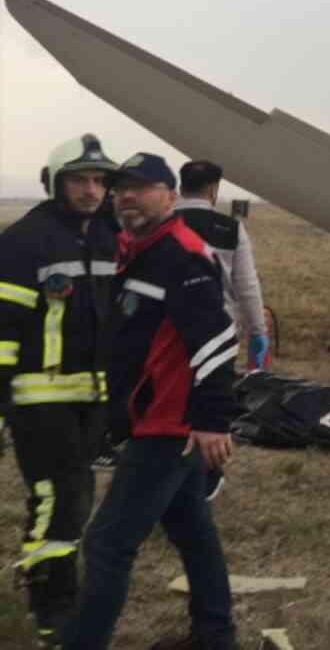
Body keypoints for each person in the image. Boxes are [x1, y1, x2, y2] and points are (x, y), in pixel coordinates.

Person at [58, 153, 240, 650]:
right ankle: (215, 636)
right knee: (192, 531)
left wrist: (211, 419)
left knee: (107, 544)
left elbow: (217, 337)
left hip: (168, 425)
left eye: (139, 187)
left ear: (168, 193)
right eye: (121, 189)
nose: (126, 196)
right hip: (153, 419)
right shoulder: (137, 247)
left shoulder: (182, 254)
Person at [0, 134, 118, 646]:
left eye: (99, 181)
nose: (91, 190)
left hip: (93, 400)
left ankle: (60, 591)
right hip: (38, 399)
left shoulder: (108, 238)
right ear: (54, 183)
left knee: (78, 498)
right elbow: (2, 328)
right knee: (59, 499)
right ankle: (53, 615)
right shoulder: (26, 240)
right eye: (79, 180)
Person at [174, 160, 270, 370]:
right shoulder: (232, 229)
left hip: (168, 331)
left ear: (181, 188)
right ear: (213, 189)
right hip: (218, 331)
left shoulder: (161, 225)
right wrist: (258, 331)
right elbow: (247, 286)